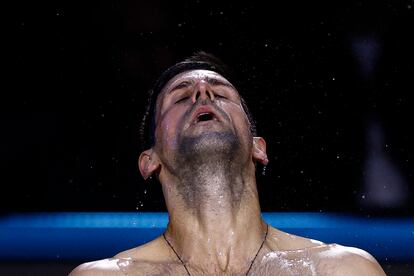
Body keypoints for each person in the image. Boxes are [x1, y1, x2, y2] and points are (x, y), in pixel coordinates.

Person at [69, 51, 385, 275]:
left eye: (221, 94)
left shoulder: (343, 269)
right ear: (150, 161)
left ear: (258, 148)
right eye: (180, 98)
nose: (202, 93)